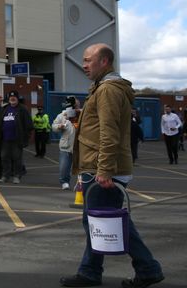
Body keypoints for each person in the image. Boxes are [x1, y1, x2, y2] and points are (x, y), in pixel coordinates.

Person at [60, 43, 164, 288]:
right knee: (98, 221)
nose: (84, 65)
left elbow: (109, 133)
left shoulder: (107, 90)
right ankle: (91, 271)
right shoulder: (102, 88)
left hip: (103, 169)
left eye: (88, 60)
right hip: (95, 167)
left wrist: (104, 170)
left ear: (104, 61)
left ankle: (146, 268)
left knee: (109, 221)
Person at [0, 90, 32, 184]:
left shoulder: (22, 109)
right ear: (8, 99)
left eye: (14, 97)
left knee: (17, 159)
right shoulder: (4, 109)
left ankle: (17, 176)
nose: (12, 99)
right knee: (4, 158)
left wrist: (25, 138)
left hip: (17, 139)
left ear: (17, 98)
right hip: (5, 139)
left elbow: (29, 125)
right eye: (10, 97)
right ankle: (5, 176)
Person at [52, 96, 78, 190]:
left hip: (79, 145)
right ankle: (64, 182)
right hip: (66, 145)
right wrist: (59, 126)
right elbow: (53, 126)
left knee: (83, 167)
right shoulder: (62, 115)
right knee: (64, 167)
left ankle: (81, 183)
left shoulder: (81, 114)